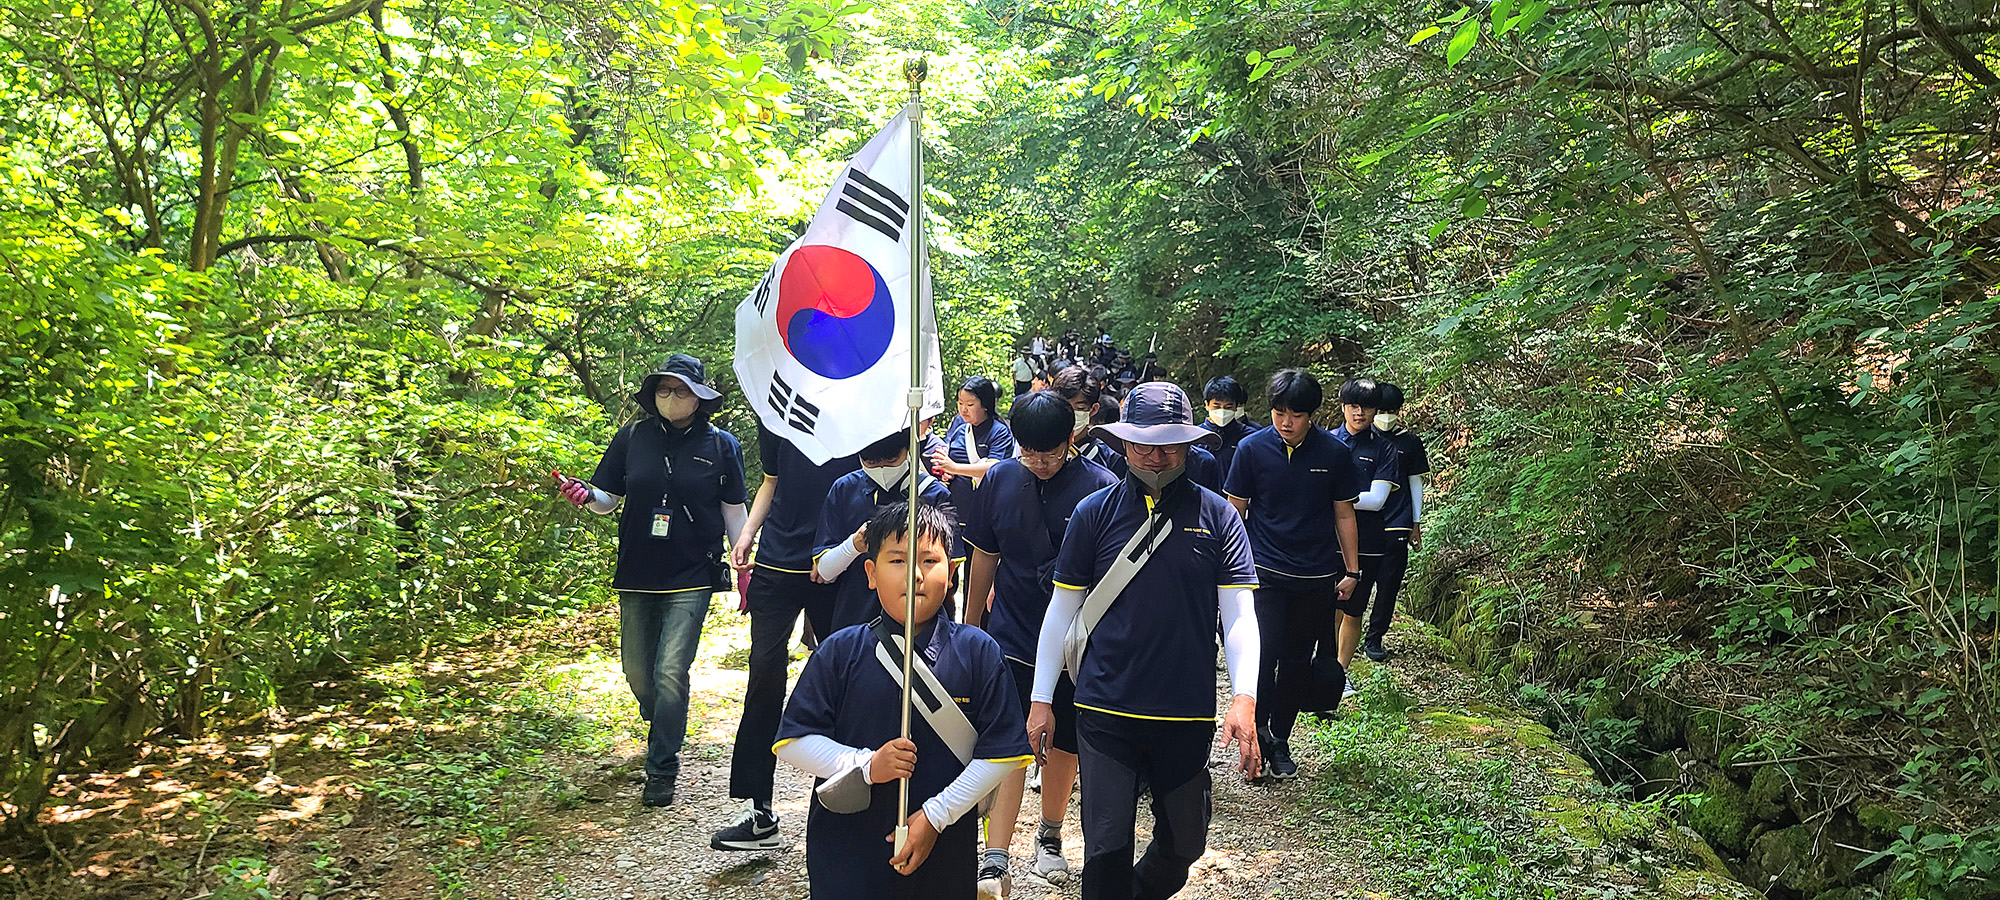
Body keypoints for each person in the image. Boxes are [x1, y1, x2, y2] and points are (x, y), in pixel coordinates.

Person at [1031, 381, 1262, 900]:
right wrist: (1041, 699)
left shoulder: (1219, 516)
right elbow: (1061, 609)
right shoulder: (1094, 513)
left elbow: (1241, 615)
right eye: (1143, 444)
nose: (1157, 457)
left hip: (1185, 710)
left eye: (1170, 444)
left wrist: (1243, 697)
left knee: (1185, 844)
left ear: (1189, 444)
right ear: (1122, 443)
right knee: (1105, 847)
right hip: (1105, 707)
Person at [774, 503, 1032, 898]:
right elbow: (793, 740)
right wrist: (865, 764)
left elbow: (1003, 753)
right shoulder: (840, 652)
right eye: (897, 559)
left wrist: (936, 815)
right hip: (846, 849)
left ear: (952, 572)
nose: (915, 574)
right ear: (871, 574)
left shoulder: (979, 652)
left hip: (943, 849)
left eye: (930, 560)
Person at [559, 354, 748, 807]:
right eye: (663, 390)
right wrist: (586, 495)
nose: (670, 398)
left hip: (693, 572)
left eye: (680, 390)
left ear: (699, 397)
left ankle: (661, 767)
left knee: (669, 670)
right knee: (638, 672)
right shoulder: (632, 437)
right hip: (637, 570)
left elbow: (733, 509)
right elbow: (608, 498)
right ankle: (662, 719)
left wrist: (743, 566)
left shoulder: (721, 445)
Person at [962, 392, 1117, 895]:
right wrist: (970, 629)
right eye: (1029, 452)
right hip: (1011, 630)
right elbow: (984, 556)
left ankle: (1050, 834)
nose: (1040, 462)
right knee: (1008, 739)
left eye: (1049, 452)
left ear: (1071, 440)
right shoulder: (1001, 480)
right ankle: (995, 856)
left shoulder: (1101, 488)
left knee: (1064, 739)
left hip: (1077, 640)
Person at [713, 425, 862, 849]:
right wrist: (747, 533)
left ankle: (849, 798)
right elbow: (771, 480)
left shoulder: (854, 397)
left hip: (836, 558)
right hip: (778, 558)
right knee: (763, 675)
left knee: (849, 678)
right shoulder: (776, 403)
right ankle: (759, 810)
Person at [1221, 369, 1364, 781]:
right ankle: (1259, 735)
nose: (1286, 422)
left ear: (1312, 415)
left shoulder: (1334, 454)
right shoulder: (1250, 450)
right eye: (1279, 412)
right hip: (1263, 573)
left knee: (1297, 661)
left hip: (1315, 575)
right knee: (1261, 658)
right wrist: (1230, 570)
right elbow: (1235, 512)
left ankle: (1280, 737)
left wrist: (1352, 570)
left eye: (1295, 415)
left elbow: (1343, 512)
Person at [816, 432, 956, 631]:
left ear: (909, 449)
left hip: (921, 627)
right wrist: (853, 546)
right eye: (871, 462)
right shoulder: (844, 489)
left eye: (891, 460)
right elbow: (824, 571)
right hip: (857, 620)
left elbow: (948, 570)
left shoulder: (933, 494)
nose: (881, 468)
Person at [1330, 379, 1405, 669]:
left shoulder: (1385, 449)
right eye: (1353, 406)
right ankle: (1321, 664)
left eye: (1367, 408)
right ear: (1343, 407)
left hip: (1369, 541)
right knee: (1325, 607)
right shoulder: (1326, 442)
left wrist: (1333, 497)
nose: (1359, 413)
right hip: (1326, 539)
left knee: (1354, 608)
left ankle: (1340, 671)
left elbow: (1377, 500)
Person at [1200, 375, 1257, 477]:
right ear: (1206, 405)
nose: (1222, 411)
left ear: (1236, 406)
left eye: (1228, 407)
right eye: (1216, 406)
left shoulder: (1250, 437)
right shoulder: (1196, 437)